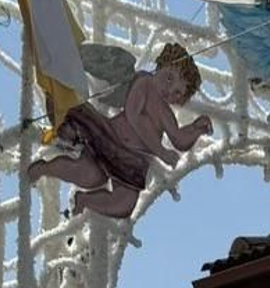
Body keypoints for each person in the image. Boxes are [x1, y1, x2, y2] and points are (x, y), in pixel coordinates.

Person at [27, 44, 212, 219]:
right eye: (169, 78)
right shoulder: (145, 83)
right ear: (162, 64)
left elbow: (179, 139)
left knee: (125, 204)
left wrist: (196, 130)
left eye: (178, 92)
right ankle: (45, 168)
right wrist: (160, 151)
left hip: (132, 161)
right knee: (89, 176)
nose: (169, 90)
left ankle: (85, 200)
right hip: (110, 138)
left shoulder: (167, 115)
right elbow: (134, 116)